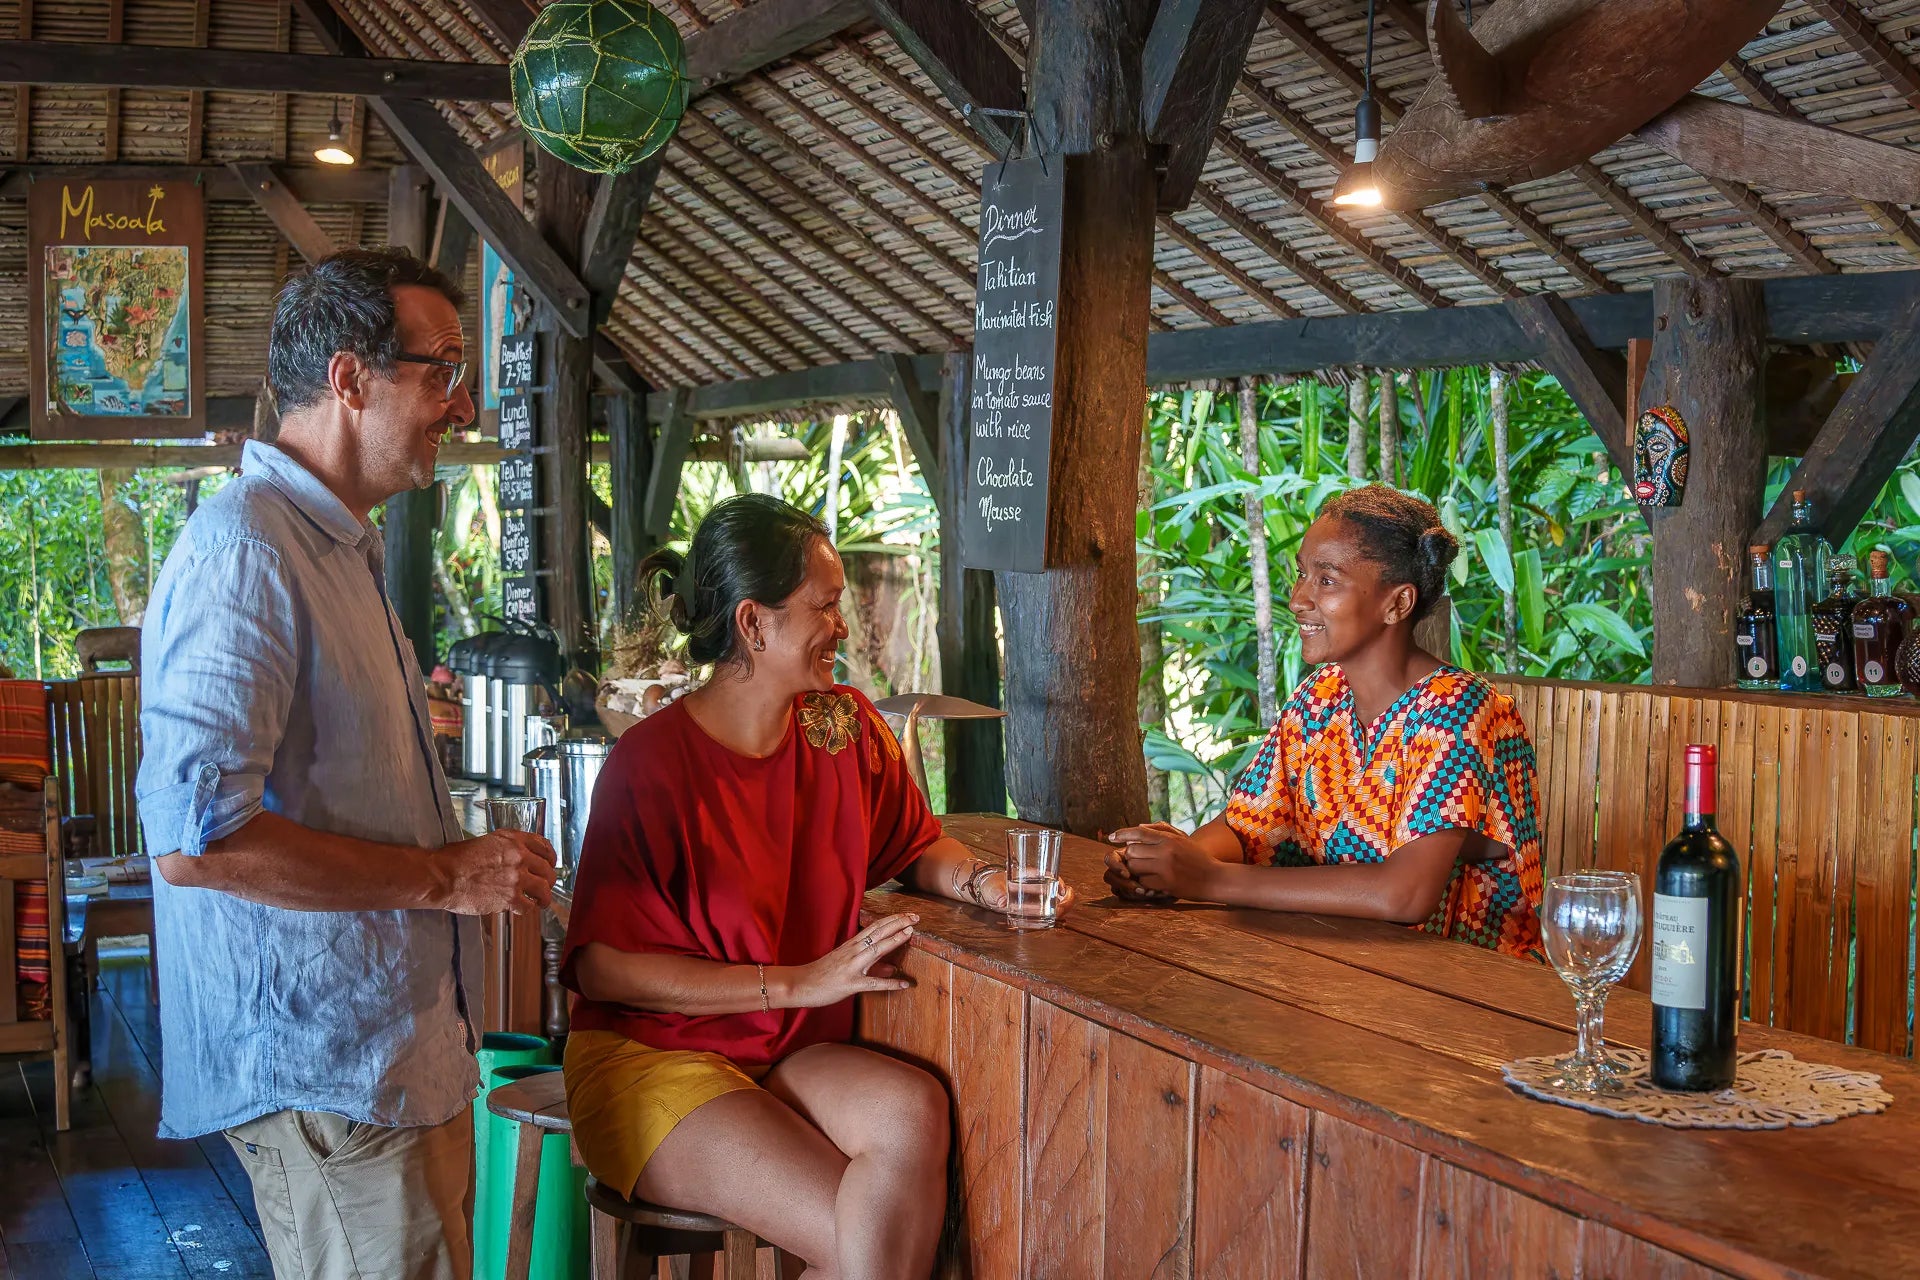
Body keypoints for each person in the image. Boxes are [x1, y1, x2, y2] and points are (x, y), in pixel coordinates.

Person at [136, 247, 559, 1279]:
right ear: (350, 378)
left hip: (385, 1059)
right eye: (441, 370)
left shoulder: (333, 547)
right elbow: (199, 837)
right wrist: (445, 875)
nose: (458, 405)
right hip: (328, 1068)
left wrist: (451, 846)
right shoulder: (246, 549)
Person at [561, 493, 1062, 1279]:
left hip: (781, 1044)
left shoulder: (843, 727)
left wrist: (986, 882)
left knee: (912, 1110)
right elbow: (603, 970)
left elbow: (915, 842)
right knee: (877, 1241)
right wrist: (797, 983)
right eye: (824, 606)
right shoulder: (649, 766)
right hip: (648, 1057)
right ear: (753, 624)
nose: (844, 626)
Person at [1106, 485, 1546, 961]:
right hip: (1347, 971)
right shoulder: (1320, 699)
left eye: (1327, 580)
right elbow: (1250, 827)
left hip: (1473, 994)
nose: (1297, 598)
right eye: (1301, 574)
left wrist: (1208, 878)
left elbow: (1403, 894)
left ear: (1397, 604)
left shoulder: (1460, 709)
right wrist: (1161, 864)